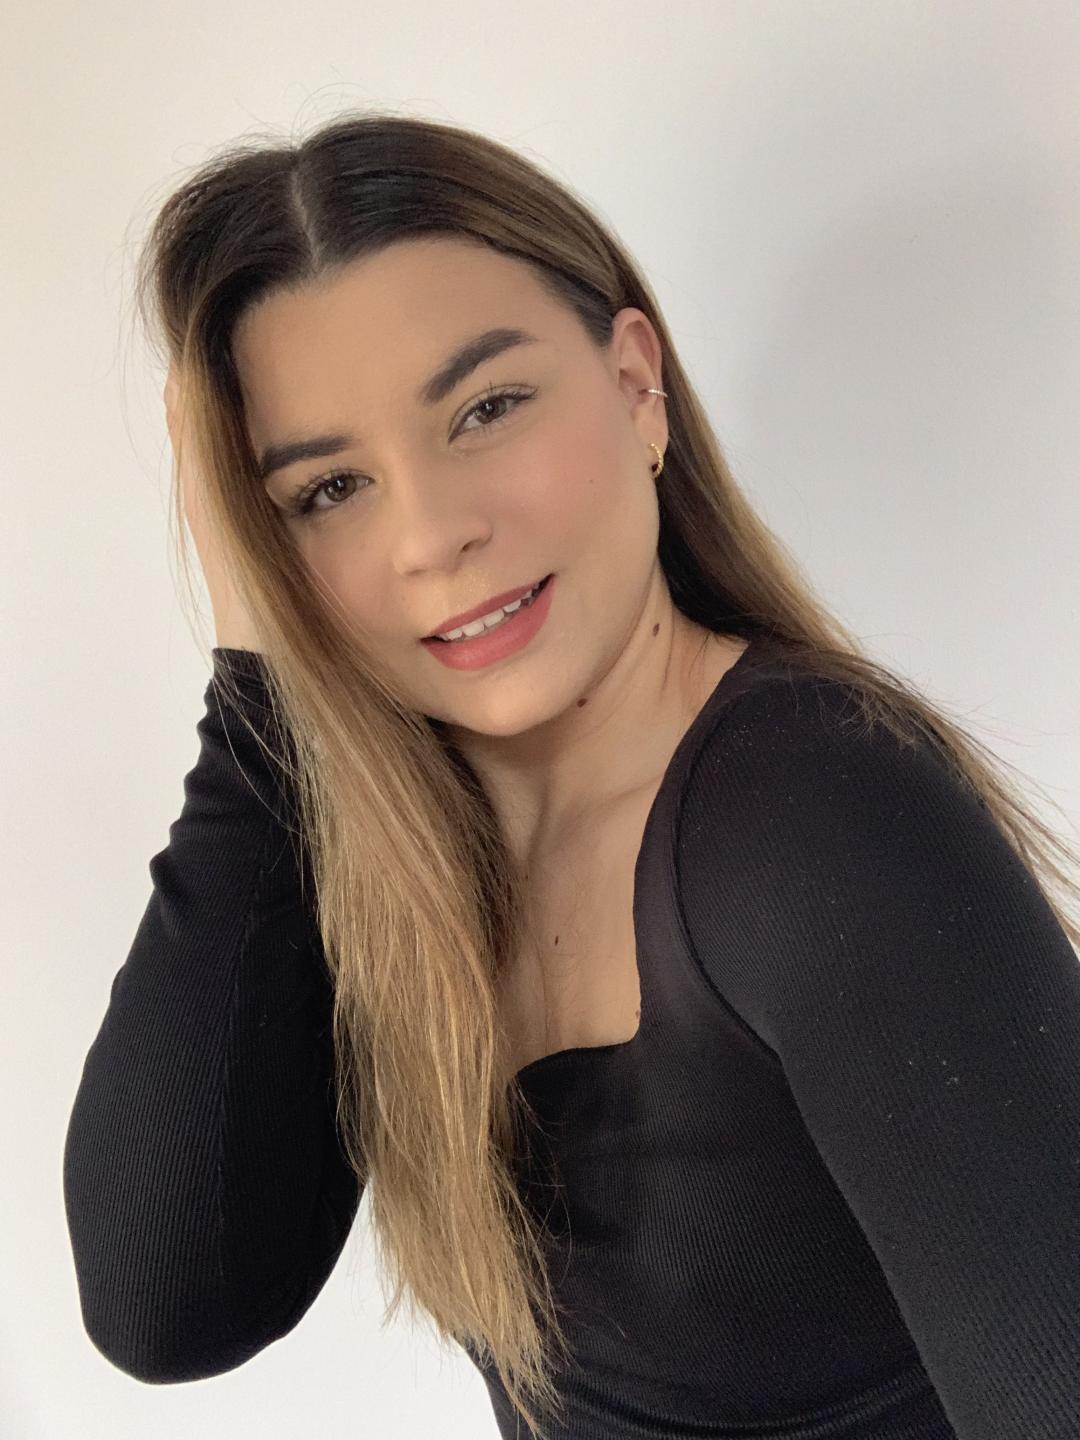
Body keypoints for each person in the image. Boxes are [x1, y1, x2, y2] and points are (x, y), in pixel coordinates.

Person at [63, 112, 1080, 1440]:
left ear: (637, 384)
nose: (433, 535)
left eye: (485, 409)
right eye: (328, 490)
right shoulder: (406, 864)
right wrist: (263, 670)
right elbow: (168, 1301)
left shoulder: (814, 818)